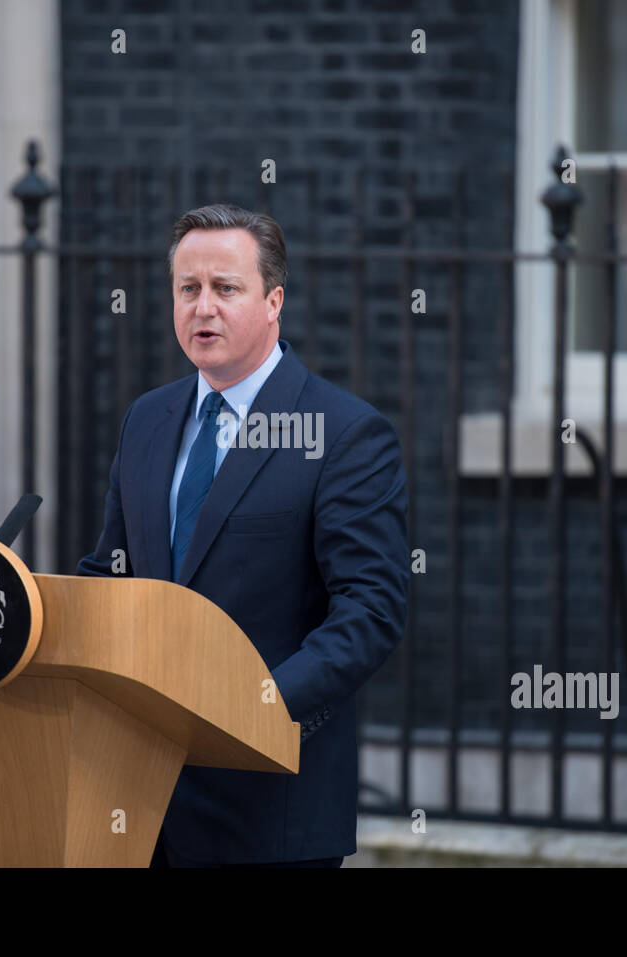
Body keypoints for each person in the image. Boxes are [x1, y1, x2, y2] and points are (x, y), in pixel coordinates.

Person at [77, 203, 410, 867]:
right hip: (138, 806)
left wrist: (250, 709)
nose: (203, 308)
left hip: (269, 809)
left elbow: (370, 610)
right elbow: (112, 573)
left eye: (225, 288)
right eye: (188, 288)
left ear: (273, 300)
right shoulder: (146, 420)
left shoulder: (345, 433)